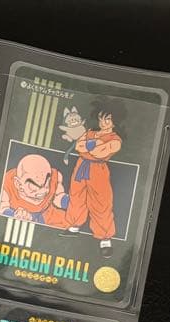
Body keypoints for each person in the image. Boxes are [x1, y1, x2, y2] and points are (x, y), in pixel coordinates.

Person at [63, 98, 126, 258]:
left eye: (108, 119)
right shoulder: (90, 132)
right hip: (81, 166)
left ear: (115, 120)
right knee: (76, 196)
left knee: (101, 202)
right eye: (101, 118)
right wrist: (93, 145)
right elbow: (79, 147)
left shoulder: (115, 139)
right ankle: (74, 226)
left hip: (98, 170)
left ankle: (105, 239)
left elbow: (100, 153)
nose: (103, 122)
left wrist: (90, 146)